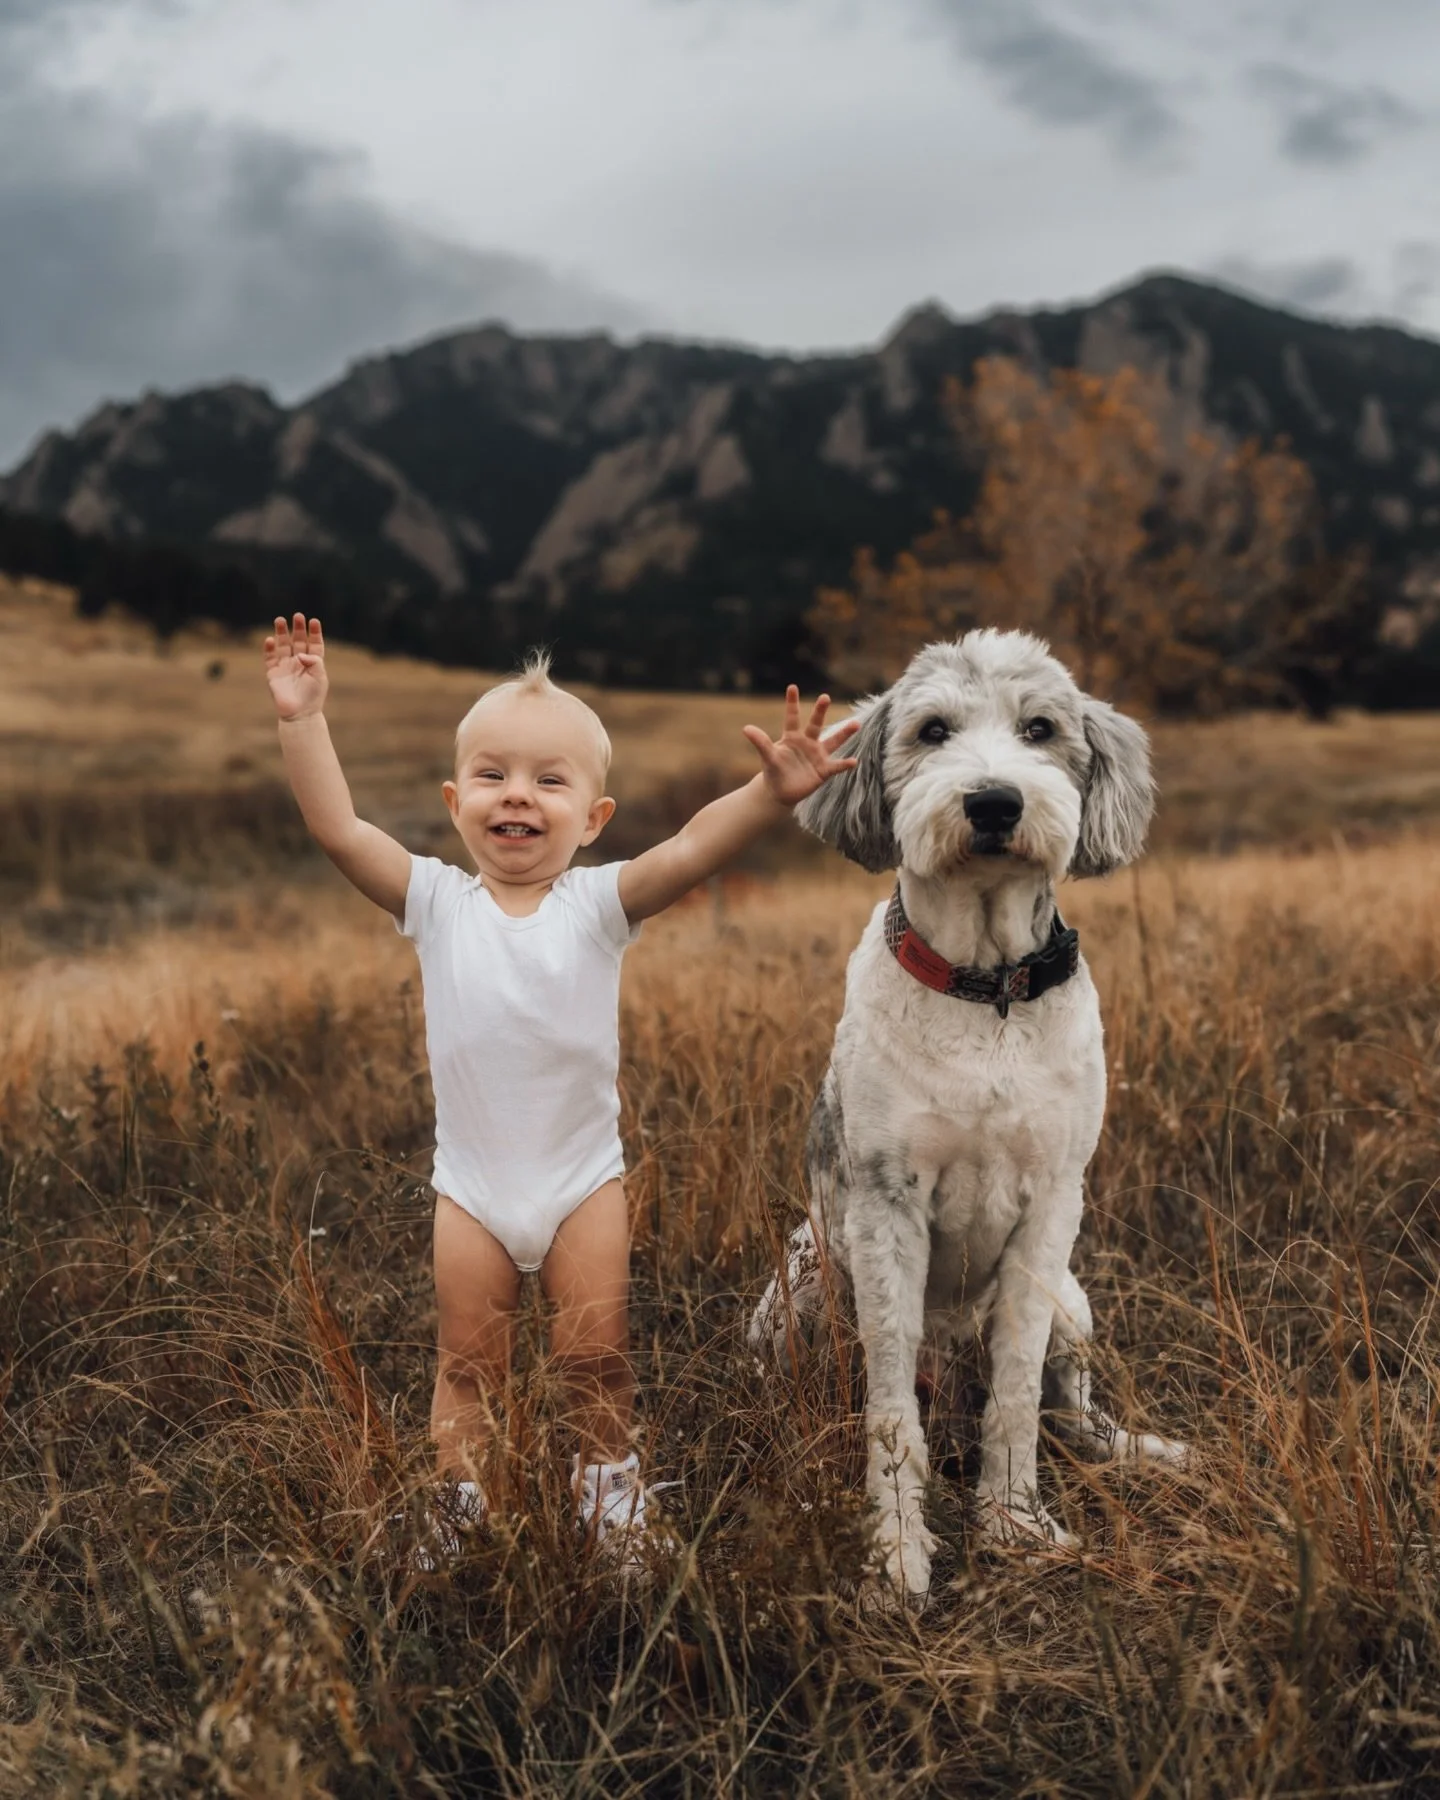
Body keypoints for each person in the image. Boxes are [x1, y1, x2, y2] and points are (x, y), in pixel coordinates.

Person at [262, 614, 859, 1566]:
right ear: (457, 800)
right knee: (466, 1370)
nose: (519, 797)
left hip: (584, 1185)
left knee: (595, 1363)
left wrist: (769, 792)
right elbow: (339, 829)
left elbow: (695, 849)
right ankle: (464, 1503)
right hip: (473, 1192)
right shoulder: (435, 903)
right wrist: (303, 720)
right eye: (494, 775)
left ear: (594, 818)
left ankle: (606, 1496)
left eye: (551, 780)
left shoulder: (597, 905)